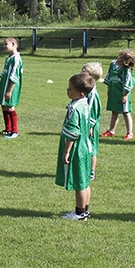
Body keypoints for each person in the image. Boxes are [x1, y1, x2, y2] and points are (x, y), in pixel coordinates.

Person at [56, 72, 96, 220]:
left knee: (79, 183)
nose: (67, 91)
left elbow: (73, 132)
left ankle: (79, 213)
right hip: (86, 147)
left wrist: (67, 151)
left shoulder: (74, 108)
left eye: (71, 89)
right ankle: (85, 210)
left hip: (77, 149)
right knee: (85, 181)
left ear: (81, 93)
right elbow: (90, 124)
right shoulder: (86, 104)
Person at [101, 49, 135, 141]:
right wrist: (109, 89)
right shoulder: (113, 64)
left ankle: (129, 133)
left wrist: (125, 94)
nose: (119, 60)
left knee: (126, 112)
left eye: (122, 59)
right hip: (114, 92)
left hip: (122, 93)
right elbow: (109, 76)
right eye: (120, 57)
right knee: (114, 111)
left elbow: (129, 81)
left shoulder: (126, 69)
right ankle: (111, 131)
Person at [0, 37, 23, 139]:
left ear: (14, 45)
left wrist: (9, 90)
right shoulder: (9, 58)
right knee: (4, 106)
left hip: (11, 87)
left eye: (6, 44)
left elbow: (15, 75)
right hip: (4, 85)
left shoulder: (16, 58)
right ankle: (8, 129)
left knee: (10, 107)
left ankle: (15, 131)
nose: (4, 46)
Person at [81, 62, 103, 180]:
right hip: (84, 124)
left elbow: (94, 112)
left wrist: (90, 126)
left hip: (90, 126)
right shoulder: (87, 90)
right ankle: (83, 168)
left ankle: (91, 171)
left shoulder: (93, 94)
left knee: (91, 148)